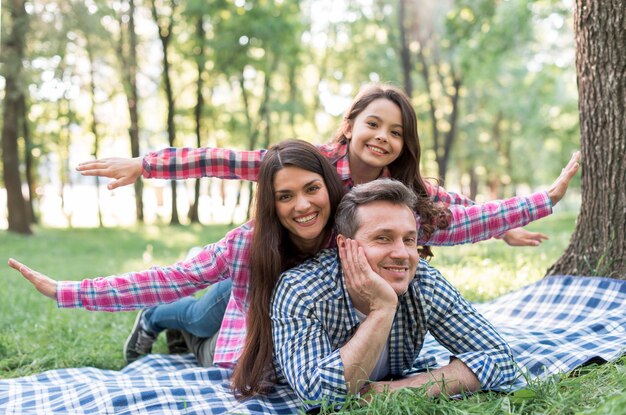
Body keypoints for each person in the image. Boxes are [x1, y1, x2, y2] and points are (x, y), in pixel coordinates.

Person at [7, 139, 579, 397]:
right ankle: (158, 321)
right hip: (244, 317)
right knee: (190, 305)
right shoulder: (250, 243)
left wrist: (532, 206)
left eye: (313, 191)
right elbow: (221, 165)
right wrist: (69, 290)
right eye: (286, 197)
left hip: (307, 328)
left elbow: (442, 220)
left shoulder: (361, 226)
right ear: (271, 202)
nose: (302, 205)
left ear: (333, 190)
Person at [75, 83, 564, 363]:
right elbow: (227, 159)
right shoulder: (316, 166)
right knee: (206, 311)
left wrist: (501, 226)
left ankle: (181, 329)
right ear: (351, 123)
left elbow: (454, 209)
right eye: (373, 123)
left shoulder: (404, 190)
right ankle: (155, 318)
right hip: (275, 266)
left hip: (314, 290)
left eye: (396, 132)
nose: (382, 137)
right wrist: (149, 165)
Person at [272, 178, 515, 403]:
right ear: (345, 246)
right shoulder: (301, 289)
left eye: (409, 240)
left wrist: (398, 390)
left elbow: (499, 357)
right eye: (383, 238)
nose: (402, 254)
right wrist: (382, 309)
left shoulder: (422, 281)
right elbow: (318, 395)